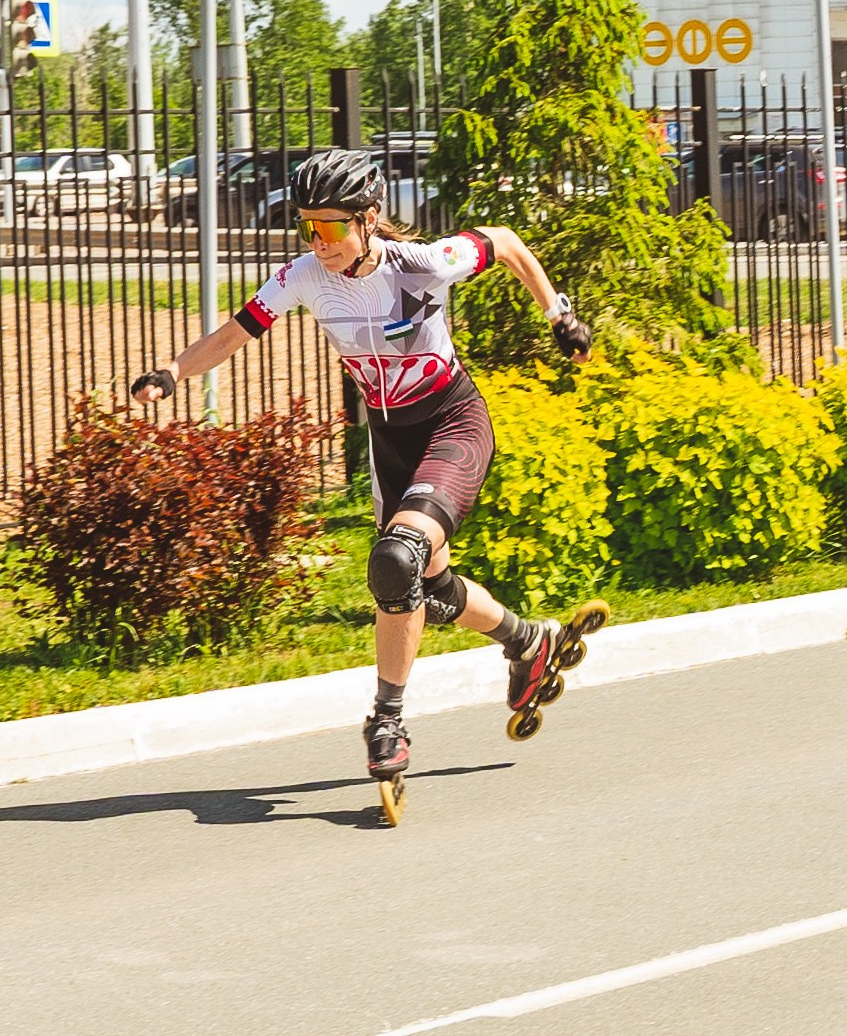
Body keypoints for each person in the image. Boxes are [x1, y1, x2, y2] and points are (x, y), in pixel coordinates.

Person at [128, 149, 597, 783]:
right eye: (307, 228)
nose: (318, 242)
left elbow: (507, 242)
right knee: (423, 589)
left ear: (368, 218)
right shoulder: (303, 276)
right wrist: (174, 371)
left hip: (453, 423)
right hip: (390, 438)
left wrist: (558, 314)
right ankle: (528, 642)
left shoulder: (422, 264)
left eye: (330, 227)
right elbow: (238, 330)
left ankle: (387, 719)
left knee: (395, 558)